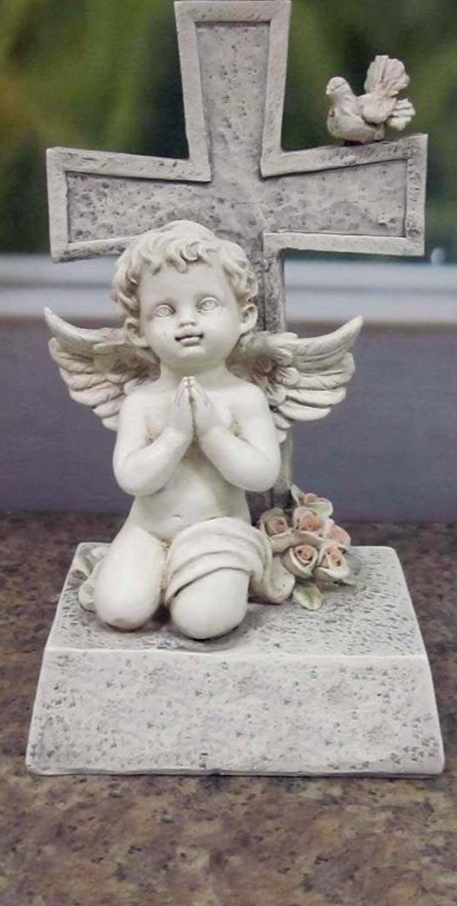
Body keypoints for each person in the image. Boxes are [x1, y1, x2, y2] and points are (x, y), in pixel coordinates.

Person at [94, 220, 281, 639]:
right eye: (165, 310)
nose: (187, 322)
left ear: (245, 316)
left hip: (219, 532)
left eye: (206, 304)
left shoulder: (244, 398)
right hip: (147, 531)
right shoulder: (142, 402)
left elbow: (261, 475)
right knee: (121, 611)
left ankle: (209, 580)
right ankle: (153, 571)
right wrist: (176, 435)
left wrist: (213, 433)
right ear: (137, 330)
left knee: (202, 621)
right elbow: (132, 479)